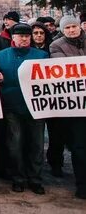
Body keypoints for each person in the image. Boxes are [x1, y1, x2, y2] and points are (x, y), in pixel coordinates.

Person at [0, 23, 48, 194]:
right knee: (14, 145)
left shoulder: (41, 55)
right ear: (13, 37)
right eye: (20, 36)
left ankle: (35, 179)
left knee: (37, 145)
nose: (24, 38)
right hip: (12, 107)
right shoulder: (1, 56)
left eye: (27, 35)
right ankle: (18, 178)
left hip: (36, 108)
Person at [49, 16, 86, 198]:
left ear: (80, 27)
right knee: (80, 147)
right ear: (62, 30)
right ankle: (82, 185)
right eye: (68, 27)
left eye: (74, 26)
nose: (72, 30)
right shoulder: (56, 46)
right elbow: (63, 70)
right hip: (76, 105)